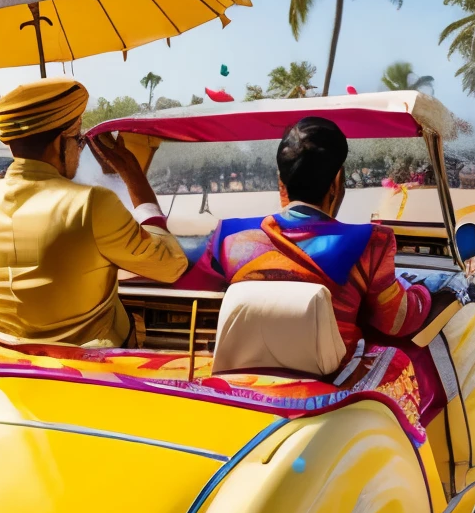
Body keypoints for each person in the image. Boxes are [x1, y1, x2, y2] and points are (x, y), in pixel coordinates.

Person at [0, 77, 189, 347]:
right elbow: (171, 265)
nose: (80, 150)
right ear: (60, 142)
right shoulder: (91, 203)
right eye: (79, 140)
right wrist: (133, 176)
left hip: (8, 365)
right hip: (89, 370)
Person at [178, 117, 434, 357]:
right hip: (334, 386)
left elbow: (189, 288)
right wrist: (429, 291)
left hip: (244, 386)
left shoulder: (228, 236)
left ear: (281, 181)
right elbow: (397, 322)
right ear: (337, 181)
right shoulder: (370, 242)